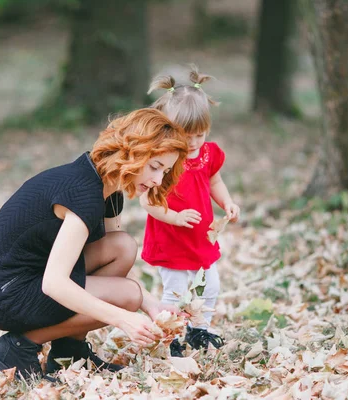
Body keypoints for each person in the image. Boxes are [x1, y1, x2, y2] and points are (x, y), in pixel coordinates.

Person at [0, 108, 189, 381]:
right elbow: (54, 283)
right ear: (132, 151)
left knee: (122, 247)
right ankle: (17, 347)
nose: (158, 181)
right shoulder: (84, 194)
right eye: (155, 167)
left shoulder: (107, 186)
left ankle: (69, 352)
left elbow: (113, 258)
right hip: (3, 292)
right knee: (127, 296)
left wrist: (152, 304)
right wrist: (123, 317)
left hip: (29, 276)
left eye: (165, 171)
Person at [140, 67, 240, 357]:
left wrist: (227, 203)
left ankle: (200, 331)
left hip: (201, 239)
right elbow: (147, 201)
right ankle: (170, 335)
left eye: (200, 134)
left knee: (210, 287)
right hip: (171, 239)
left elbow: (214, 181)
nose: (194, 142)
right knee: (176, 292)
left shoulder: (209, 153)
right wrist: (174, 217)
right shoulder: (163, 158)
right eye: (187, 136)